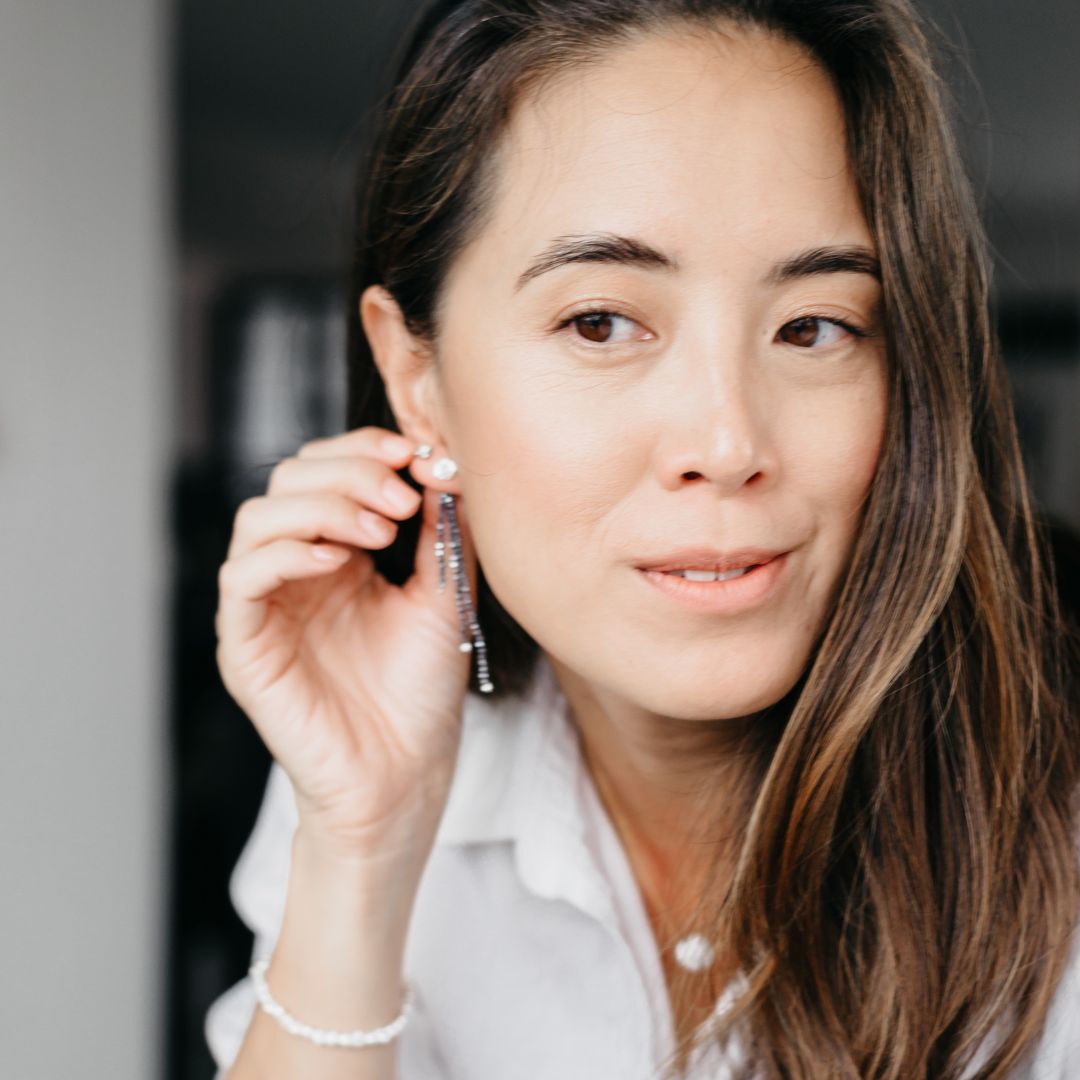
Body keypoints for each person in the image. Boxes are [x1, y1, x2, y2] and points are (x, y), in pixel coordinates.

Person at [204, 0, 1080, 1077]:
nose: (727, 442)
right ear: (417, 380)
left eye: (813, 327)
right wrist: (361, 847)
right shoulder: (390, 736)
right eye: (600, 323)